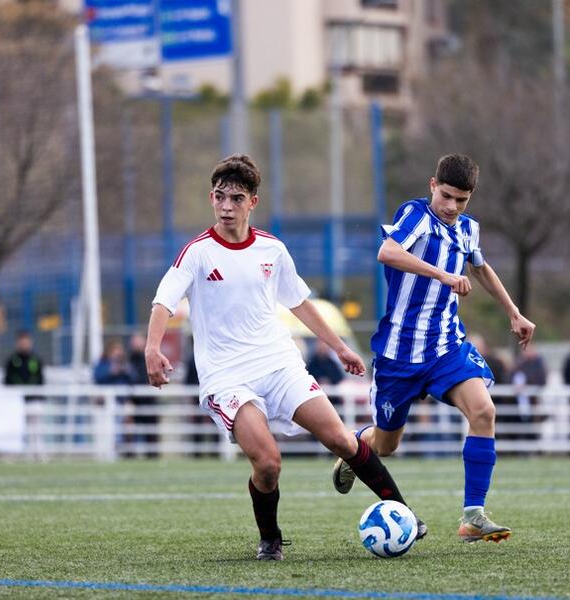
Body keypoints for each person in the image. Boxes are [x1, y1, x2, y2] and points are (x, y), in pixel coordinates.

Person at [145, 154, 426, 560]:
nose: (226, 206)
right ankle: (270, 539)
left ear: (252, 202)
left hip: (279, 364)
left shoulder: (272, 250)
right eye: (220, 197)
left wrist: (340, 347)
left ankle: (405, 514)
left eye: (236, 198)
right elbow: (163, 302)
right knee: (268, 463)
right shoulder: (197, 253)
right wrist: (153, 348)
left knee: (341, 439)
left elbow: (300, 303)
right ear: (211, 198)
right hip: (227, 376)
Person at [332, 154, 535, 543]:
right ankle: (354, 450)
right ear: (432, 186)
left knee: (484, 411)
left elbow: (480, 267)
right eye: (446, 196)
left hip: (445, 347)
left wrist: (514, 312)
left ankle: (473, 516)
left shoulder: (468, 229)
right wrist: (442, 275)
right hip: (399, 353)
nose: (452, 206)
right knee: (386, 445)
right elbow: (388, 252)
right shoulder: (416, 215)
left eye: (462, 200)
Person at [306, 339, 344, 405]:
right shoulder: (312, 363)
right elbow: (308, 377)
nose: (323, 347)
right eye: (321, 344)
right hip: (316, 396)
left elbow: (339, 378)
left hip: (332, 398)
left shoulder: (332, 363)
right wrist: (319, 381)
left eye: (325, 345)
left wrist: (329, 382)